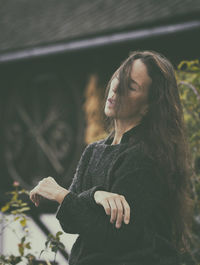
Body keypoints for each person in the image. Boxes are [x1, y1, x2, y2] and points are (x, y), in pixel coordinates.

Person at [30, 50, 194, 265]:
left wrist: (62, 195)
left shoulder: (146, 155)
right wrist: (96, 195)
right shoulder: (94, 150)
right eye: (119, 77)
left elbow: (117, 237)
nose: (116, 88)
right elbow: (72, 221)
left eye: (131, 86)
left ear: (148, 106)